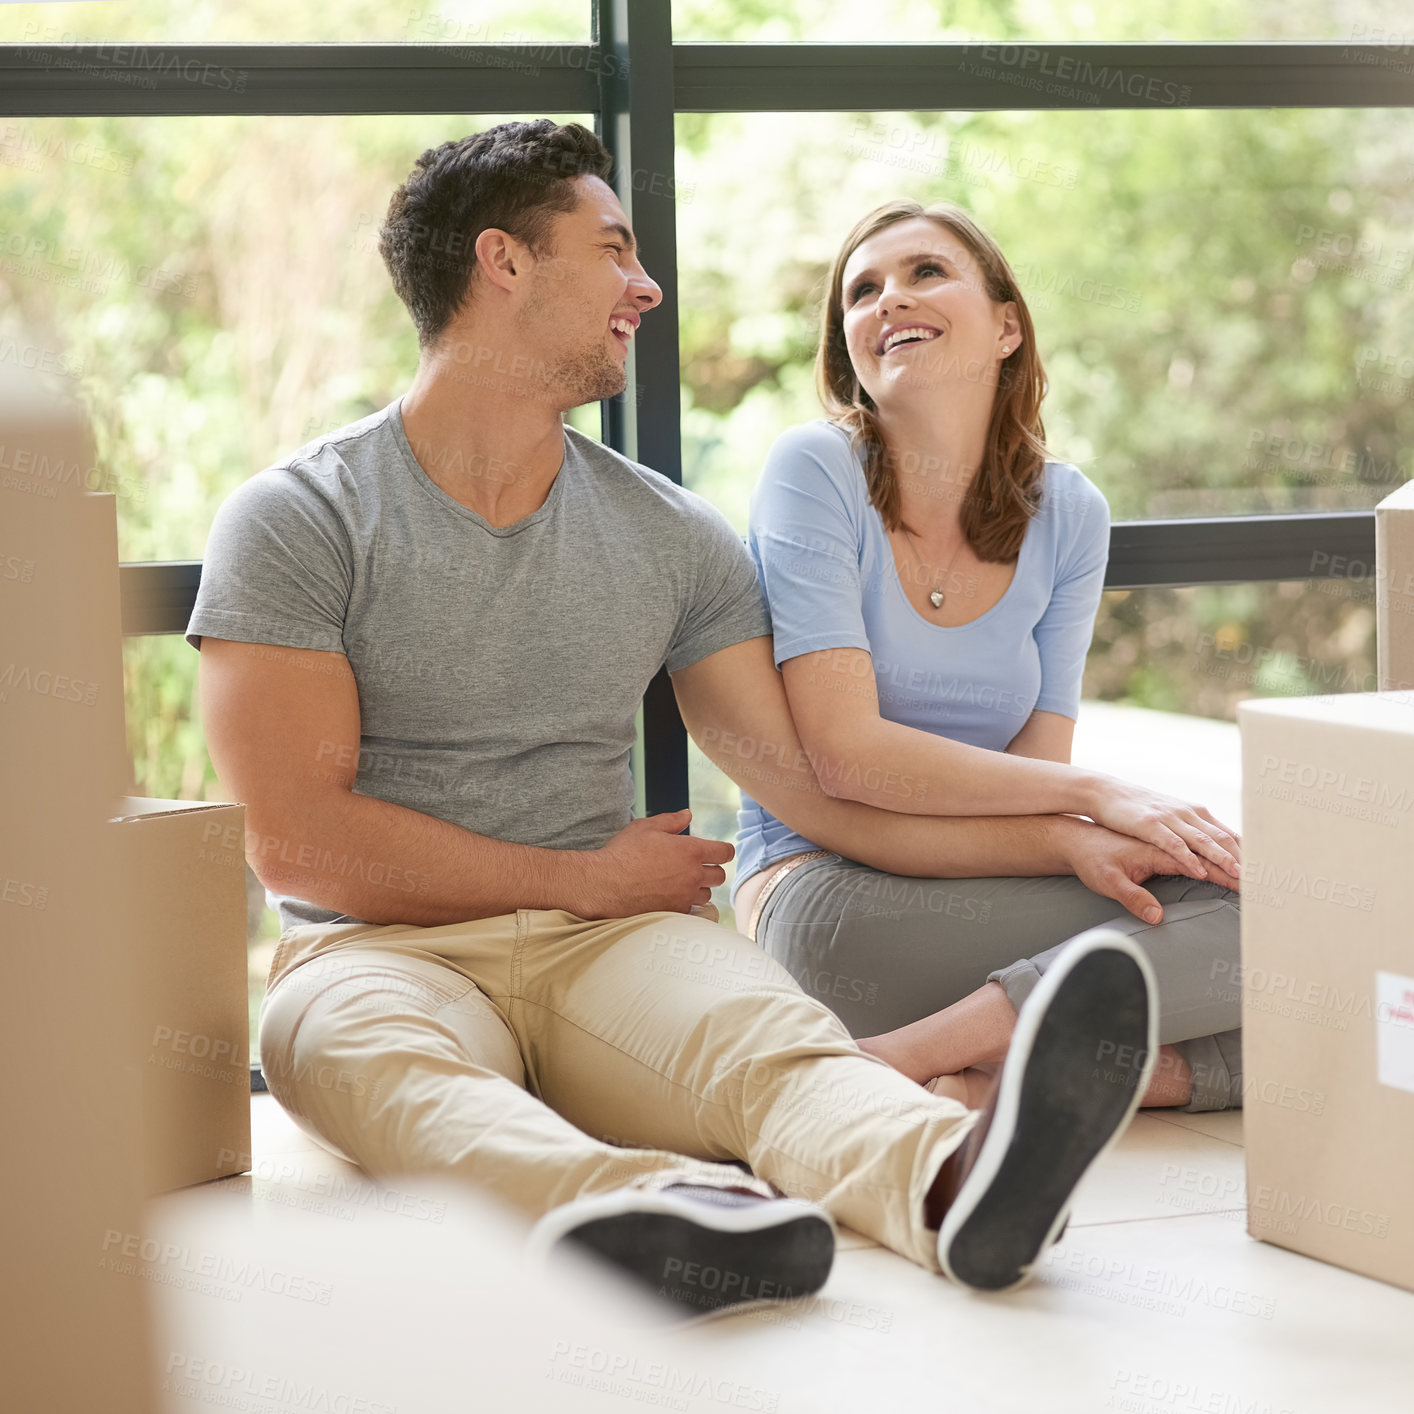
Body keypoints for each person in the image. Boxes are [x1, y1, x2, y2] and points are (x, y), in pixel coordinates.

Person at [187, 122, 1189, 1318]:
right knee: (369, 1062)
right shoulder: (299, 518)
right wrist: (577, 875)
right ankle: (631, 1209)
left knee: (768, 1040)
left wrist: (1066, 825)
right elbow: (300, 843)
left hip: (606, 945)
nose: (645, 286)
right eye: (612, 250)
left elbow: (814, 787)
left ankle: (950, 1179)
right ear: (504, 263)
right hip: (372, 948)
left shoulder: (672, 538)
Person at [733, 198, 1243, 1114]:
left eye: (925, 272)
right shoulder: (814, 472)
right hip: (827, 901)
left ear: (1007, 326)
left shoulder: (1071, 512)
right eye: (862, 291)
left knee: (1292, 908)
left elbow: (1032, 768)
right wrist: (1097, 804)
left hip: (988, 878)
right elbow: (847, 754)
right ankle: (938, 1051)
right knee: (1267, 940)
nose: (888, 299)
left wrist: (1082, 836)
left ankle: (981, 1065)